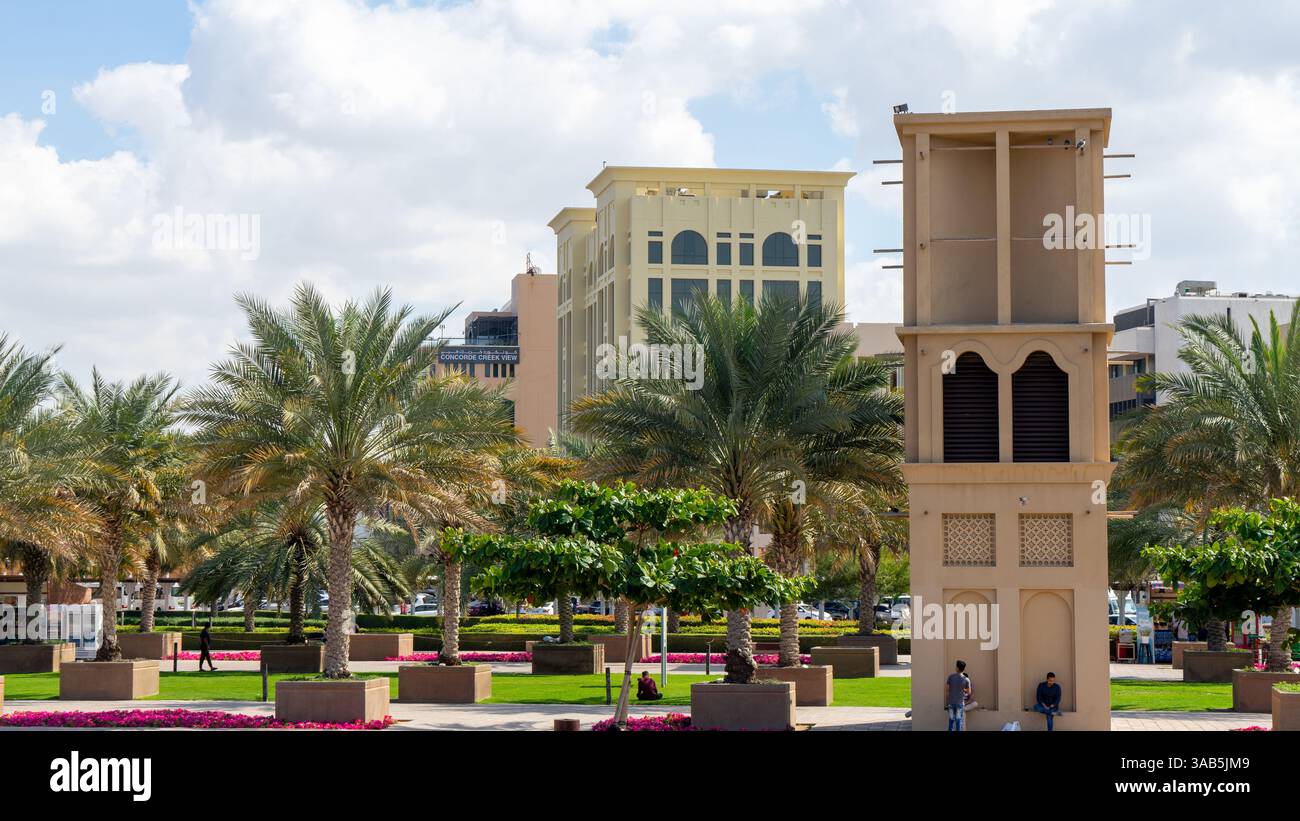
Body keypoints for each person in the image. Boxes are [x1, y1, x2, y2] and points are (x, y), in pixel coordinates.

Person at [946, 660, 970, 731]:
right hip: (960, 703)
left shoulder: (950, 677)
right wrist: (963, 690)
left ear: (957, 668)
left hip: (951, 702)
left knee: (951, 721)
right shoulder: (966, 679)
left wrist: (948, 700)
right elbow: (969, 692)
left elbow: (947, 690)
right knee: (959, 722)